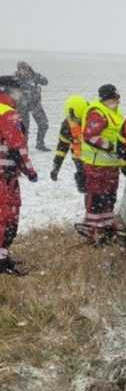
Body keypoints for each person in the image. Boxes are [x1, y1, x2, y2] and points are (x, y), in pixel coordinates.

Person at [0, 76, 39, 274]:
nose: (21, 94)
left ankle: (3, 257)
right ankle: (1, 261)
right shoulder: (8, 114)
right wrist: (30, 171)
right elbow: (18, 148)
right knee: (7, 217)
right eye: (18, 90)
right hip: (4, 178)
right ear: (8, 91)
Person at [80, 84, 125, 243]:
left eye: (117, 99)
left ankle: (106, 226)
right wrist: (111, 147)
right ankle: (93, 229)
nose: (116, 102)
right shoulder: (97, 113)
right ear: (105, 99)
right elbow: (90, 136)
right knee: (97, 196)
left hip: (111, 164)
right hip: (97, 165)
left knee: (109, 196)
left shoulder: (115, 113)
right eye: (113, 99)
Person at [51, 94, 89, 193]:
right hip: (79, 159)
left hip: (97, 159)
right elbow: (62, 148)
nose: (78, 122)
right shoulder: (67, 125)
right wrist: (56, 167)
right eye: (76, 120)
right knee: (85, 186)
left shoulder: (95, 117)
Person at [13, 61, 50, 151]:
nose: (23, 71)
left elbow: (45, 82)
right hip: (22, 107)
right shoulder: (14, 79)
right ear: (18, 70)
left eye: (25, 68)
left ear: (28, 68)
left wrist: (40, 78)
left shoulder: (34, 76)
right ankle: (24, 147)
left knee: (44, 124)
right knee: (24, 129)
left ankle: (40, 143)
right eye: (21, 69)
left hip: (35, 104)